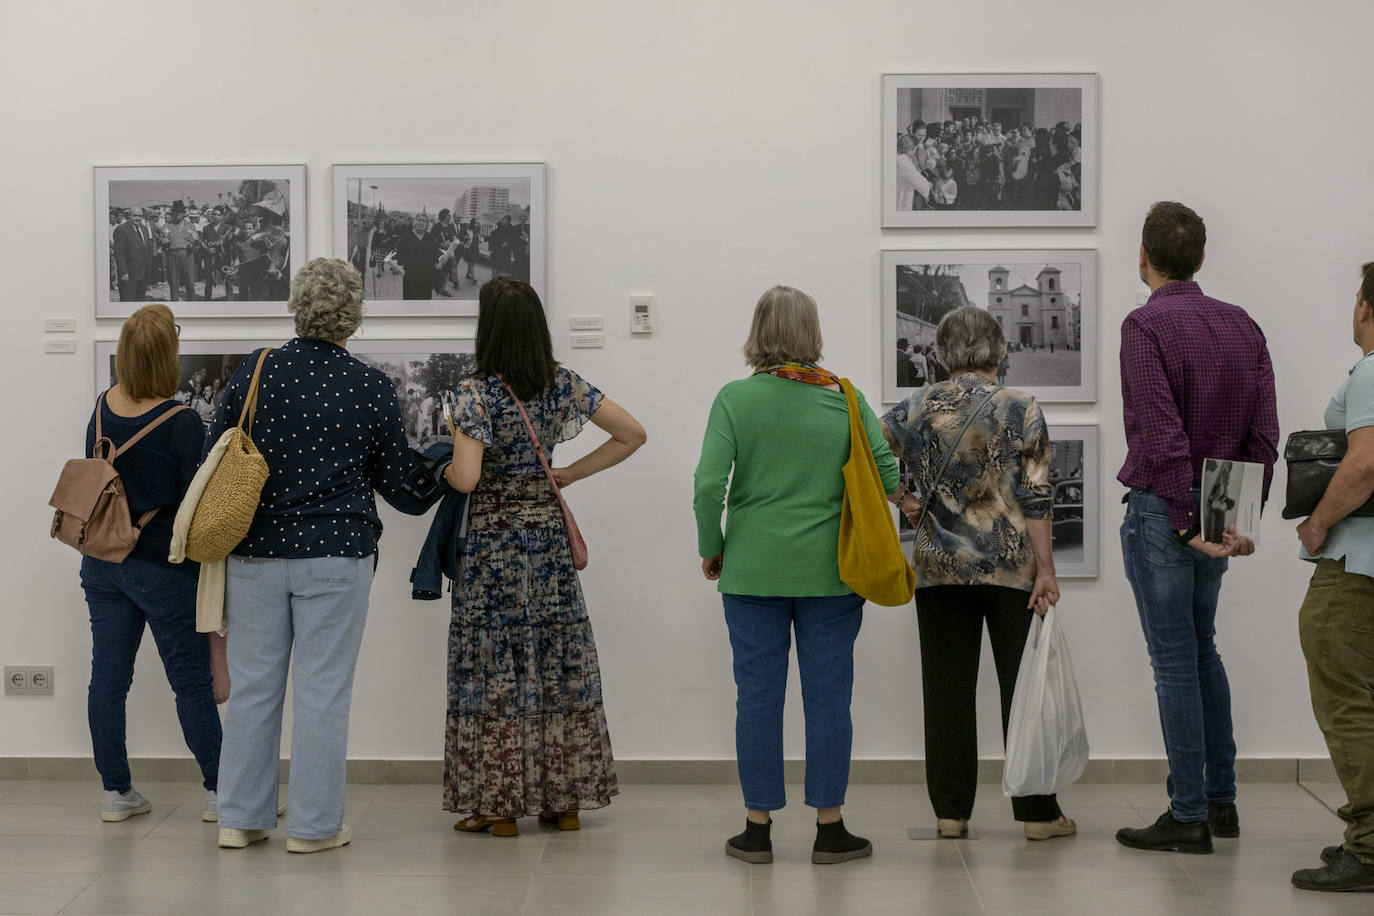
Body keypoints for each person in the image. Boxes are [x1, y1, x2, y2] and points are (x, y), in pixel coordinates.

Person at [211, 258, 429, 853]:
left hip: (254, 553)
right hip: (337, 556)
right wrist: (445, 463)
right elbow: (400, 488)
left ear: (296, 307)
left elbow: (216, 454)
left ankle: (241, 818)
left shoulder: (256, 373)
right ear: (353, 318)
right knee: (323, 691)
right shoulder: (371, 386)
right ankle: (312, 828)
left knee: (254, 688)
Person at [694, 285, 893, 866]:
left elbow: (708, 485)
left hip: (751, 571)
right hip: (833, 574)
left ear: (758, 332)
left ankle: (757, 829)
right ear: (812, 333)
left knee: (756, 698)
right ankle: (830, 829)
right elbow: (883, 472)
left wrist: (714, 546)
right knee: (830, 698)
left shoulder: (735, 398)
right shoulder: (846, 399)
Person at [442, 276, 644, 838]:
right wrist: (569, 474)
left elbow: (467, 476)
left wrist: (442, 467)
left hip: (493, 552)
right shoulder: (563, 385)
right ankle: (565, 801)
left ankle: (499, 807)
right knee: (556, 664)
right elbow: (632, 433)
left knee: (495, 670)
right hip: (549, 550)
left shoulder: (473, 393)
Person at [1116, 202, 1278, 855]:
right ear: (1202, 259)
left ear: (1143, 257)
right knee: (1203, 649)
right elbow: (1264, 436)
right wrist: (1238, 520)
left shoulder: (1144, 325)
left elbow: (1161, 434)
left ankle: (1187, 815)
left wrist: (1185, 523)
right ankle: (1222, 803)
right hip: (1216, 507)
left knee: (1176, 660)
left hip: (1166, 510)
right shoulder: (1243, 326)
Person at [880, 306, 1075, 843]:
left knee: (946, 691)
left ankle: (950, 813)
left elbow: (868, 453)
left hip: (940, 569)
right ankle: (1037, 814)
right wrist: (1047, 572)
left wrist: (905, 497)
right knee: (1024, 691)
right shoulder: (1021, 406)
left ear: (941, 352)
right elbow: (1037, 496)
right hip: (1012, 570)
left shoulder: (918, 406)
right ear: (999, 350)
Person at [78, 304, 222, 823]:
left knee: (108, 680)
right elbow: (196, 499)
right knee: (190, 682)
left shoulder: (101, 408)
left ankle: (116, 792)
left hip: (101, 563)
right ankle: (220, 791)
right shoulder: (180, 420)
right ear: (168, 357)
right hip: (162, 569)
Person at [1290, 262, 1374, 893]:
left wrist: (1317, 525)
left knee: (1346, 699)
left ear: (1366, 308)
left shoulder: (1372, 370)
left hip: (1356, 560)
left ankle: (1369, 847)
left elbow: (1365, 465)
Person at [389, 214, 441, 300]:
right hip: (410, 278)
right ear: (415, 222)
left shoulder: (431, 238)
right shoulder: (406, 237)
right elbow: (399, 255)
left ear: (427, 224)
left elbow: (437, 254)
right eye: (419, 220)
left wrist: (442, 258)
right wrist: (396, 266)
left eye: (424, 221)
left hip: (427, 278)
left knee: (425, 304)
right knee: (410, 304)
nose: (421, 222)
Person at [112, 206, 155, 302]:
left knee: (139, 301)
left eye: (140, 216)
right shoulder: (121, 230)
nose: (138, 218)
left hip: (143, 274)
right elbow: (119, 253)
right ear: (128, 216)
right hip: (129, 275)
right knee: (128, 301)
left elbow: (146, 250)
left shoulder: (144, 229)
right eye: (134, 215)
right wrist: (123, 272)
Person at [163, 201, 198, 302]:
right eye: (175, 212)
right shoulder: (168, 226)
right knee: (174, 283)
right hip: (173, 256)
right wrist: (164, 241)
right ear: (173, 213)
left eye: (180, 212)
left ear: (183, 213)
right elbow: (163, 242)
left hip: (187, 256)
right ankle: (175, 307)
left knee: (190, 283)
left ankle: (192, 306)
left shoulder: (190, 226)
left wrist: (193, 245)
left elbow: (196, 242)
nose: (177, 214)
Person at [896, 135, 931, 211]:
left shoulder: (898, 157)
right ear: (911, 149)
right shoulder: (904, 163)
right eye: (916, 148)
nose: (916, 151)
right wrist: (928, 185)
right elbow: (919, 182)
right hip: (902, 198)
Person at [431, 208, 460, 296]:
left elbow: (452, 237)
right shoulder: (436, 227)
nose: (450, 217)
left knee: (447, 271)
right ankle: (436, 286)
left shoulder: (450, 227)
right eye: (448, 215)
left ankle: (443, 289)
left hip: (449, 253)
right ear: (443, 216)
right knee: (439, 270)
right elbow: (431, 240)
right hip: (438, 253)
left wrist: (452, 241)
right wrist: (441, 244)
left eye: (450, 215)